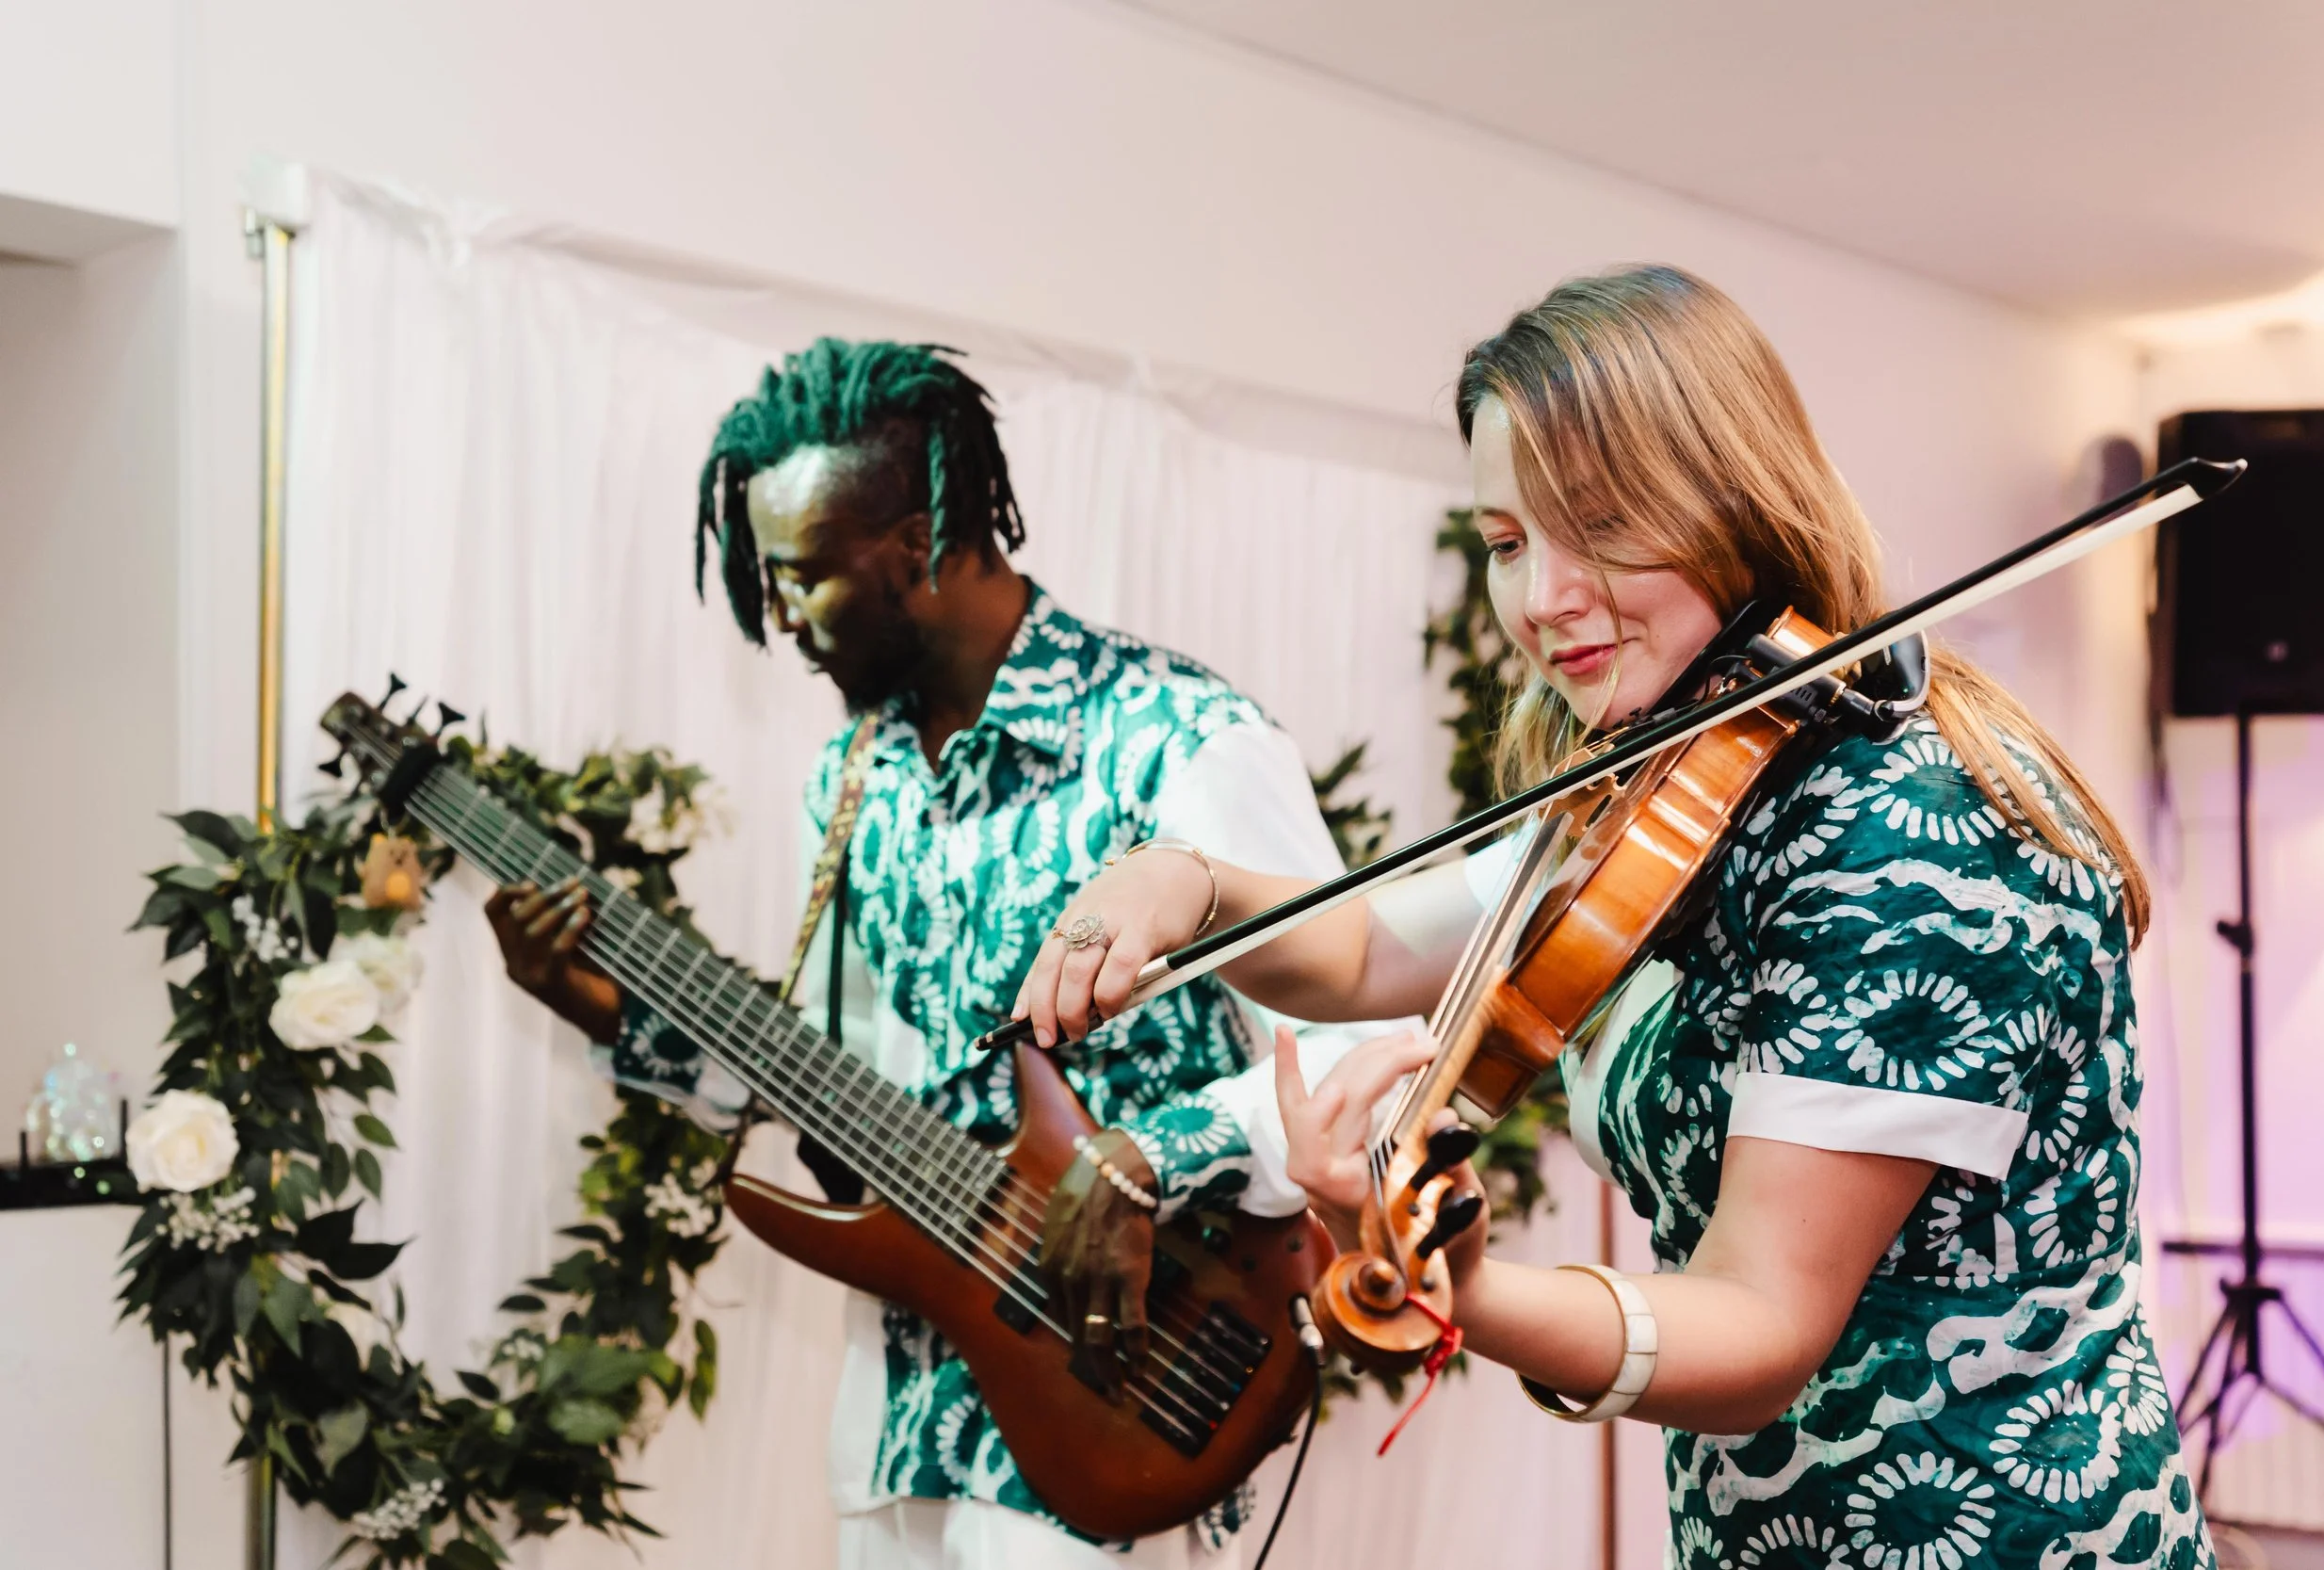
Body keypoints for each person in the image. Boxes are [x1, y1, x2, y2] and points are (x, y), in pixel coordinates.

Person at [1016, 267, 2217, 1570]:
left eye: (1594, 523)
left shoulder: (1914, 828)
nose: (1540, 599)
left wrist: (1468, 1294)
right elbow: (1363, 947)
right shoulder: (1659, 778)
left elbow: (1762, 1322)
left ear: (1732, 493)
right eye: (1505, 542)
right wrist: (1182, 882)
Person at [485, 339, 1378, 1568]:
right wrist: (600, 1009)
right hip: (903, 1411)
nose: (782, 617)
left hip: (1122, 1397)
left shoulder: (1180, 736)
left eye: (802, 576)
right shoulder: (850, 780)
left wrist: (1144, 1157)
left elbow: (1360, 1057)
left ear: (915, 543)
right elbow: (826, 1077)